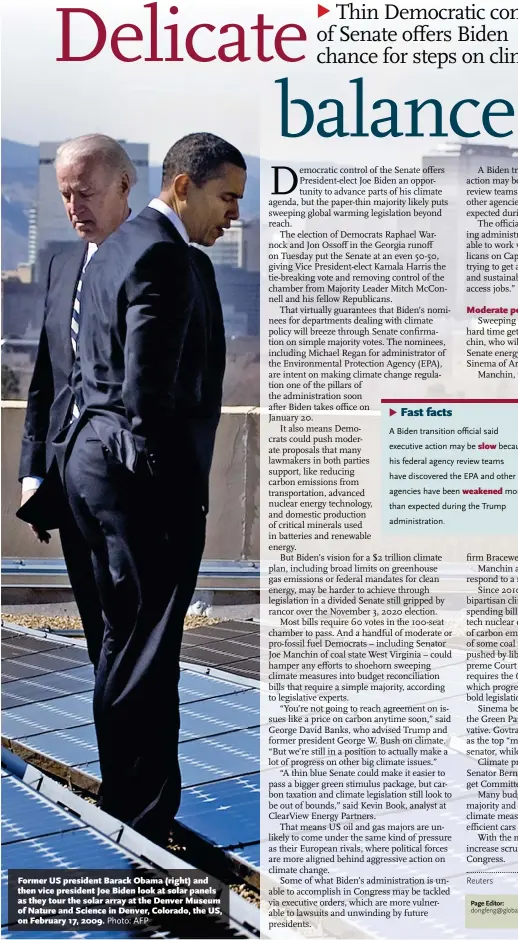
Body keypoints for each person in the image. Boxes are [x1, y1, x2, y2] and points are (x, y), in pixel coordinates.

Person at [60, 132, 246, 846]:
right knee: (145, 652)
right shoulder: (166, 255)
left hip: (92, 469)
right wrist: (169, 492)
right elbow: (149, 393)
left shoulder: (113, 251)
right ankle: (142, 820)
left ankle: (123, 801)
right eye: (225, 196)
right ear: (182, 185)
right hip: (136, 484)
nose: (231, 215)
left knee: (120, 644)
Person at [18, 134, 137, 669]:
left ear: (123, 186)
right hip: (67, 480)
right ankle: (109, 741)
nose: (74, 208)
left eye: (85, 193)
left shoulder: (154, 261)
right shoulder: (61, 265)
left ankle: (135, 745)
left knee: (130, 633)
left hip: (128, 484)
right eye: (66, 195)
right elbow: (47, 379)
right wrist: (33, 473)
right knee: (95, 630)